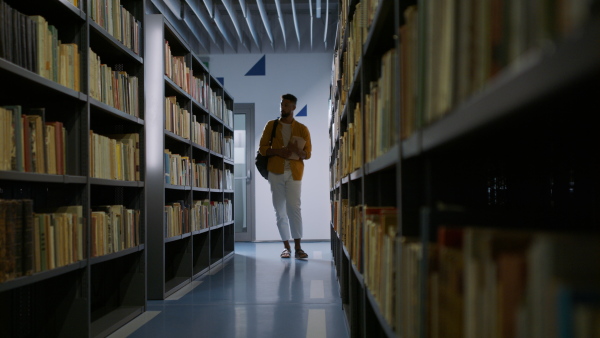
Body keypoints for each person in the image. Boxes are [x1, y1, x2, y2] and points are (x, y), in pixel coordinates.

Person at [258, 94, 312, 259]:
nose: (283, 108)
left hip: (294, 173)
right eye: (282, 104)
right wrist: (279, 151)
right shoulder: (271, 125)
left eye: (287, 105)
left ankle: (298, 247)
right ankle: (286, 247)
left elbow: (308, 154)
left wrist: (298, 151)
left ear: (293, 107)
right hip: (275, 172)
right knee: (279, 210)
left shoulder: (302, 129)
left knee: (294, 208)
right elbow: (262, 149)